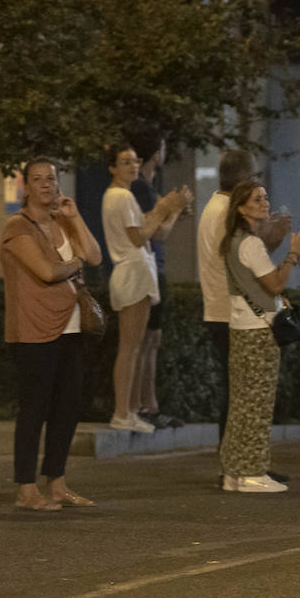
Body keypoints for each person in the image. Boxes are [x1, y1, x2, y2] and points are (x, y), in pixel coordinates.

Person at [0, 157, 103, 510]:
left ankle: (57, 483)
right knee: (34, 409)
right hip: (33, 330)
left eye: (51, 178)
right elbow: (46, 271)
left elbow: (94, 255)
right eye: (37, 179)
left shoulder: (62, 220)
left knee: (66, 408)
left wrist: (75, 218)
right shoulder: (18, 227)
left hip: (71, 327)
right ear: (27, 186)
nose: (45, 184)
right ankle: (26, 489)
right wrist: (74, 264)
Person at [219, 179, 300, 493]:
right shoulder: (249, 244)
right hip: (258, 331)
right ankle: (252, 472)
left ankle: (234, 472)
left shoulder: (234, 241)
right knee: (257, 404)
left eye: (265, 197)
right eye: (257, 199)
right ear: (242, 207)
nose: (265, 203)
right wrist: (294, 252)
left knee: (241, 404)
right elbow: (274, 285)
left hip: (241, 327)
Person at [197, 149, 290, 446]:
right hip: (233, 314)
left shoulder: (214, 206)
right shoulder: (227, 213)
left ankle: (239, 462)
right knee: (244, 394)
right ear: (242, 180)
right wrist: (275, 238)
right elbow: (251, 267)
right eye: (253, 180)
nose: (260, 195)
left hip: (221, 309)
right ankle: (239, 463)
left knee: (237, 391)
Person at [101, 142, 191, 433]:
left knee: (136, 347)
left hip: (136, 273)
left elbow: (156, 231)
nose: (133, 166)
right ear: (113, 168)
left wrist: (171, 211)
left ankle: (128, 411)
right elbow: (141, 237)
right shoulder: (120, 196)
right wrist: (164, 207)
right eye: (125, 162)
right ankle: (122, 412)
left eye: (135, 160)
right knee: (130, 348)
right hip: (132, 273)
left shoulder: (124, 197)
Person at [126, 130, 181, 430]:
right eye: (163, 147)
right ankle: (142, 405)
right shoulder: (143, 189)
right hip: (150, 271)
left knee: (150, 340)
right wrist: (174, 209)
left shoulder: (143, 188)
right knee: (146, 341)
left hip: (150, 270)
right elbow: (158, 230)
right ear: (155, 153)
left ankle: (147, 404)